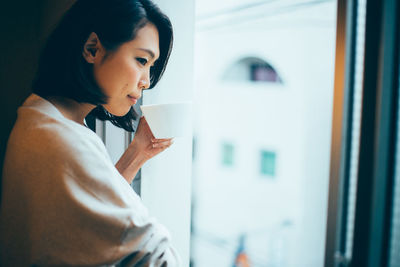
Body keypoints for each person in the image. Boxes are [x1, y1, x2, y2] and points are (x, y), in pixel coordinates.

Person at [0, 0, 180, 266]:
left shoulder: (42, 113)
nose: (147, 80)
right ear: (92, 49)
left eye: (151, 67)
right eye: (142, 60)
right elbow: (153, 255)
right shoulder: (60, 140)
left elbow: (91, 211)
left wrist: (136, 155)